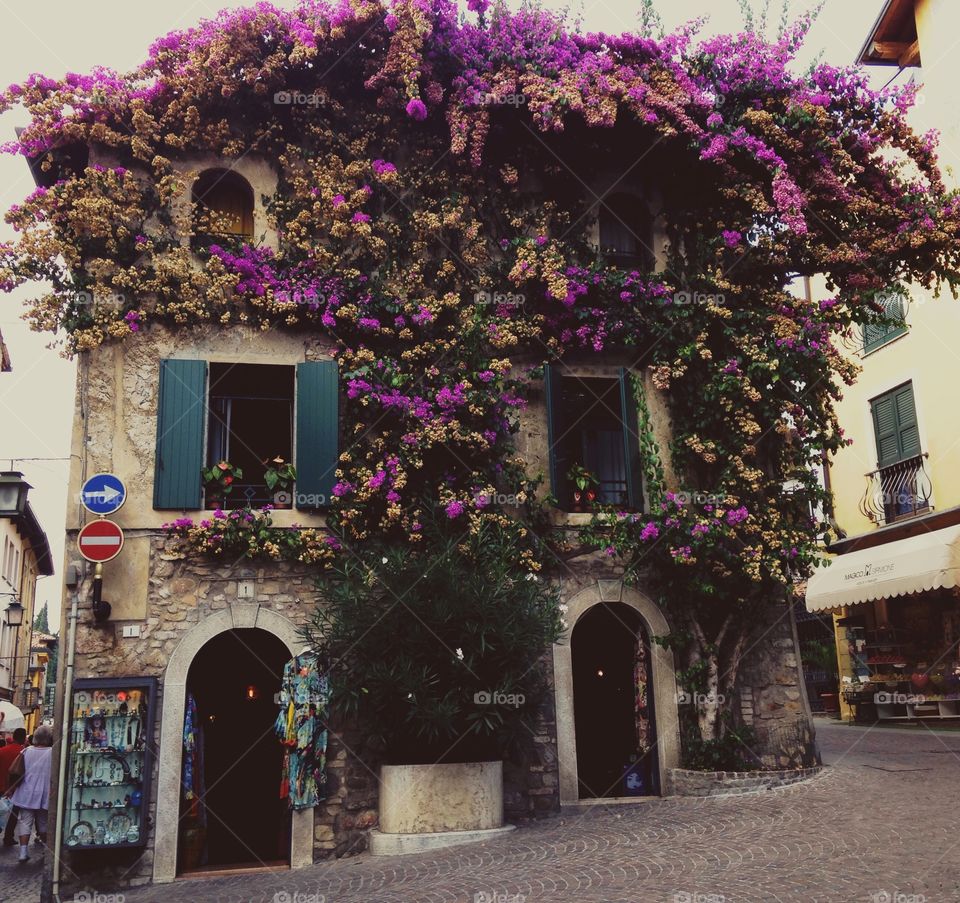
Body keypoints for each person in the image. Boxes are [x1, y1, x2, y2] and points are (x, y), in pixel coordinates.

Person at [5, 724, 53, 862]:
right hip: (44, 792)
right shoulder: (52, 752)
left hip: (26, 792)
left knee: (25, 822)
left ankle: (23, 852)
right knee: (43, 823)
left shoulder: (26, 751)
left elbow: (15, 771)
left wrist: (11, 789)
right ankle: (46, 850)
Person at [0, 728, 26, 847]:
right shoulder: (23, 752)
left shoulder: (2, 751)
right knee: (13, 815)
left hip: (1, 786)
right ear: (23, 737)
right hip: (15, 789)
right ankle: (8, 837)